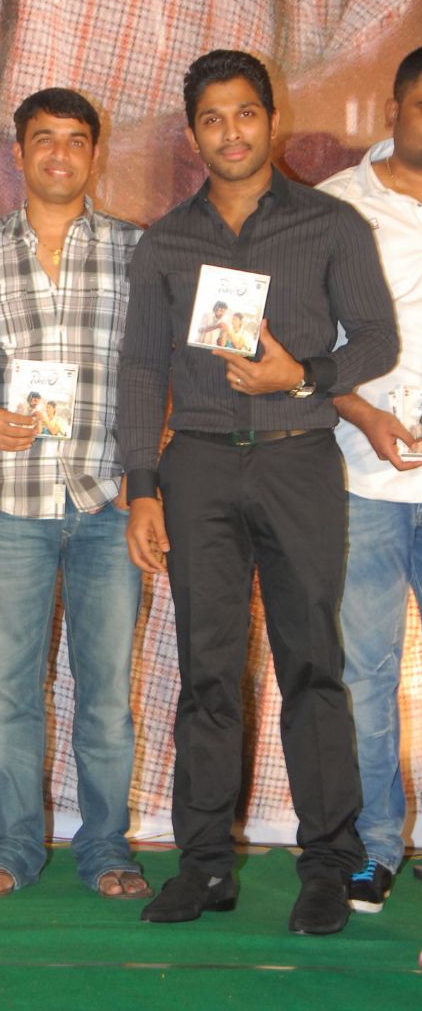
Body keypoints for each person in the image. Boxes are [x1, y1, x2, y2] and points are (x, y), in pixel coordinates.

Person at [118, 50, 398, 934]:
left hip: (298, 461)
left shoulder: (330, 223)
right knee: (206, 671)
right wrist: (141, 486)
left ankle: (327, 867)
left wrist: (301, 375)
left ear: (273, 121)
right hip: (197, 466)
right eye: (212, 118)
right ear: (193, 132)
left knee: (313, 667)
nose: (230, 132)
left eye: (245, 113)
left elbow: (378, 339)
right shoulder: (165, 242)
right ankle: (204, 866)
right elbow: (141, 368)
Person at [0, 88, 149, 899]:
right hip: (11, 501)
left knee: (106, 694)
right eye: (43, 139)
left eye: (75, 140)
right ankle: (12, 846)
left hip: (107, 501)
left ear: (95, 154)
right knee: (10, 688)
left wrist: (150, 476)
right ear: (18, 153)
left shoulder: (139, 250)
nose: (60, 154)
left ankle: (107, 848)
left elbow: (164, 367)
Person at [318, 46, 422, 913]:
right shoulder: (335, 208)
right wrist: (360, 411)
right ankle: (377, 845)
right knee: (363, 675)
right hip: (362, 479)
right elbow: (303, 347)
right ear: (394, 108)